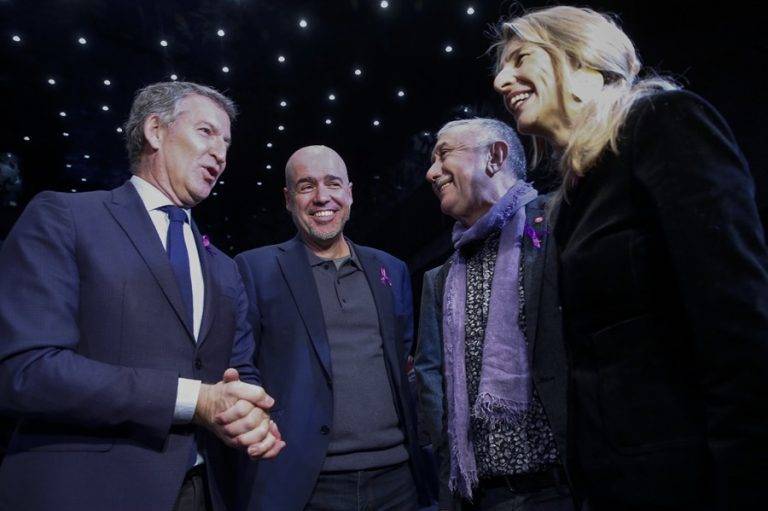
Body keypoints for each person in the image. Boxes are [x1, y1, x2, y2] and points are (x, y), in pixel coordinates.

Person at [492, 6, 768, 511]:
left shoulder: (665, 124)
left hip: (692, 482)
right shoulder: (571, 198)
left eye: (520, 58)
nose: (501, 79)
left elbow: (738, 319)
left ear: (581, 62)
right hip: (615, 483)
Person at [0, 81, 284, 511]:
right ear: (155, 130)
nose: (221, 154)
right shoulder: (65, 217)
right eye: (207, 132)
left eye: (227, 142)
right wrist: (197, 400)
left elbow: (239, 370)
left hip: (206, 492)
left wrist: (250, 415)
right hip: (86, 492)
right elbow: (27, 370)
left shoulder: (225, 268)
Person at [234, 145, 430, 510]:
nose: (322, 197)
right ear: (288, 199)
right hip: (306, 483)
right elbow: (243, 369)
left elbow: (402, 358)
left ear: (350, 194)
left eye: (333, 184)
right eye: (306, 186)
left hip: (397, 478)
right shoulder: (254, 269)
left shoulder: (391, 269)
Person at [415, 118, 573, 511]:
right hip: (478, 496)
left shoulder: (560, 224)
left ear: (495, 157)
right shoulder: (441, 278)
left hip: (564, 488)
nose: (431, 172)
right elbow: (429, 375)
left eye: (444, 154)